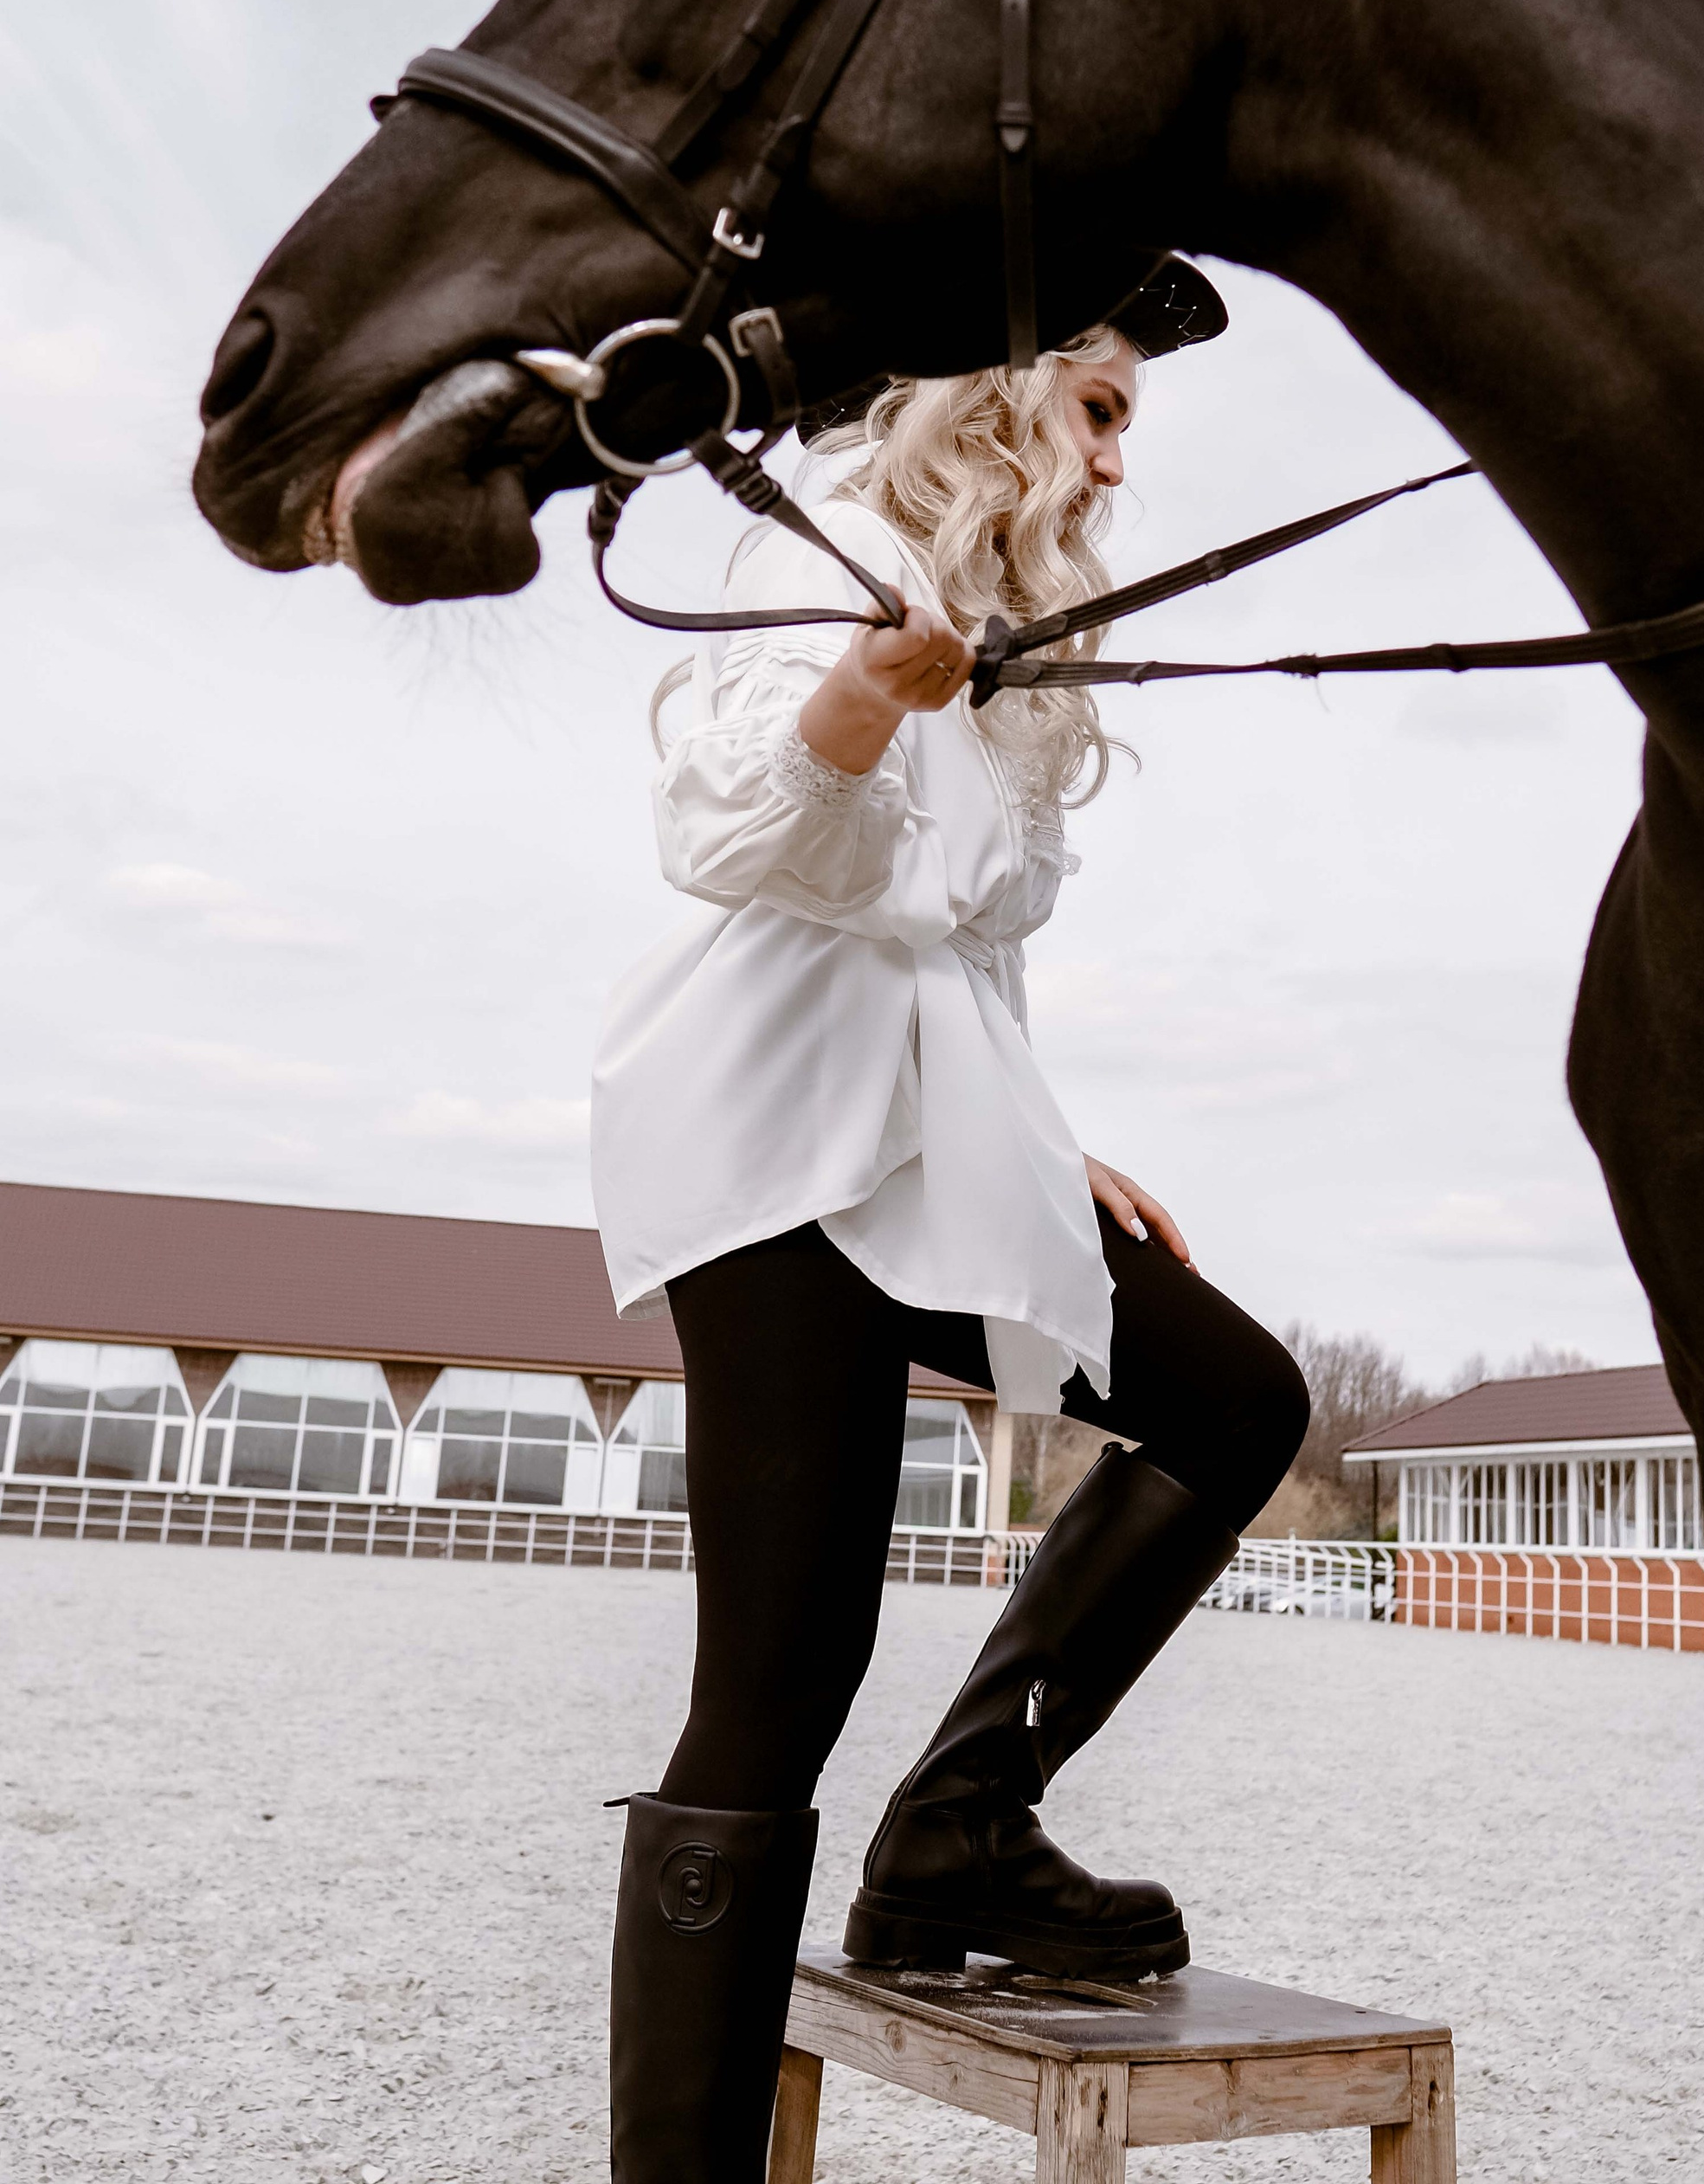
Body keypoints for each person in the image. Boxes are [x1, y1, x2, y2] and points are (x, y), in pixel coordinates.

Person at [588, 267, 1310, 2182]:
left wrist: (1045, 1139)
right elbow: (729, 844)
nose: (1117, 442)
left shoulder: (1028, 626)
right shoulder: (825, 540)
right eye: (1098, 398)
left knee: (1237, 1399)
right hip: (774, 1143)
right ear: (1000, 390)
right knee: (777, 1681)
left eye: (1125, 412)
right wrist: (842, 707)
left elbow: (967, 948)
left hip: (946, 1127)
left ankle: (959, 1829)